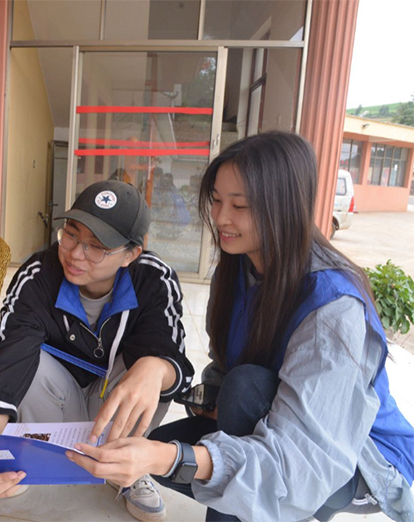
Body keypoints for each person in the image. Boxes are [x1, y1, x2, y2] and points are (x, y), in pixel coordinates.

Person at [67, 132, 414, 522]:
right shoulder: (236, 270)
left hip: (355, 459)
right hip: (276, 422)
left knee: (233, 399)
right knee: (165, 441)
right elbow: (225, 364)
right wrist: (202, 400)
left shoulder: (333, 308)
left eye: (240, 205)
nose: (220, 218)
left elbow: (300, 463)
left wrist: (173, 458)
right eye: (216, 200)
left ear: (285, 207)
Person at [0, 180, 194, 521]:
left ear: (131, 254)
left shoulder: (153, 279)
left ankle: (130, 468)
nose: (75, 254)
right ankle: (32, 461)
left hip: (114, 408)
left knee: (153, 366)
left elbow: (174, 358)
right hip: (59, 404)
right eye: (71, 235)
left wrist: (155, 368)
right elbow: (8, 361)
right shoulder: (40, 274)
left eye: (96, 246)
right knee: (27, 357)